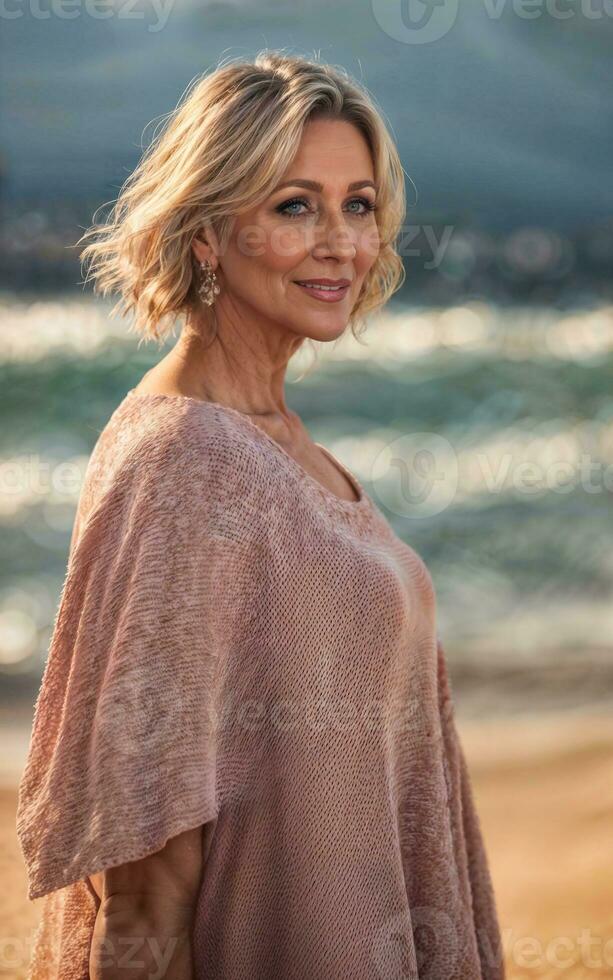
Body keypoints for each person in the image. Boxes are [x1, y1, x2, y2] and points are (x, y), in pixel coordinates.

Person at [16, 50, 506, 979]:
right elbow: (145, 882)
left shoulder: (288, 445)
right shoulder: (184, 460)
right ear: (207, 233)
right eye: (293, 206)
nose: (339, 243)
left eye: (357, 205)